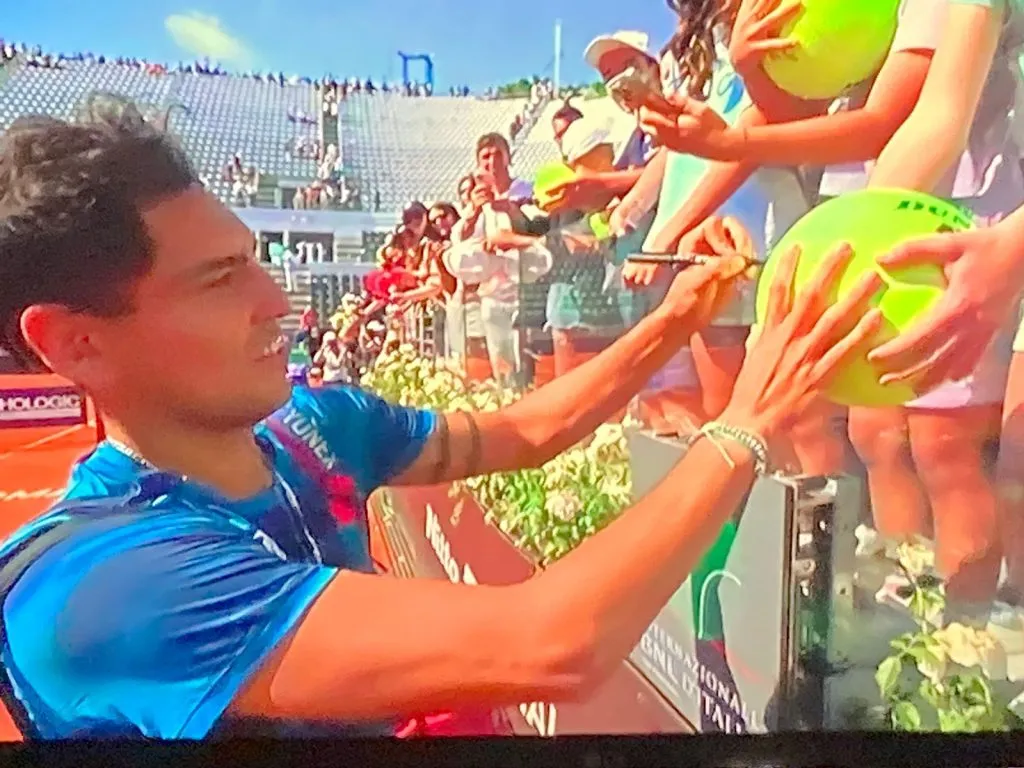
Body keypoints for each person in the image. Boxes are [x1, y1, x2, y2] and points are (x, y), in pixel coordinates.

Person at [0, 113, 881, 739]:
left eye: (257, 264)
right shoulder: (95, 589)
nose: (279, 303)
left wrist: (676, 322)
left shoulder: (313, 423)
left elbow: (525, 433)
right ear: (76, 343)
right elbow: (552, 644)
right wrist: (746, 423)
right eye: (219, 279)